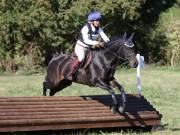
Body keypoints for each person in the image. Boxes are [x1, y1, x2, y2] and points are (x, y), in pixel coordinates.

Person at [67, 11, 110, 80]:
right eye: (96, 21)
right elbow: (86, 41)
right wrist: (97, 43)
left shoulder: (98, 28)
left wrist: (109, 43)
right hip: (80, 47)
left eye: (99, 20)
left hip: (89, 48)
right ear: (92, 21)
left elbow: (105, 38)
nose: (98, 22)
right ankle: (70, 73)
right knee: (81, 57)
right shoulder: (86, 28)